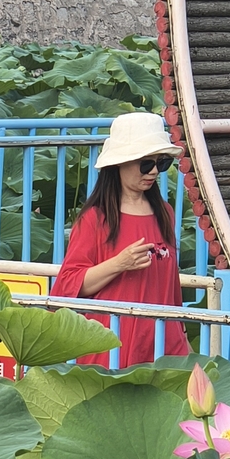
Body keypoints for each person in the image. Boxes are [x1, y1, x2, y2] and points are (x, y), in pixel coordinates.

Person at [50, 112, 190, 367]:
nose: (155, 171)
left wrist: (181, 334)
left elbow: (171, 287)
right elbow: (66, 287)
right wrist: (119, 263)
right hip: (112, 343)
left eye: (162, 163)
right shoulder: (95, 218)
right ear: (120, 163)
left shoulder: (165, 213)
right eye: (146, 164)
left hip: (164, 342)